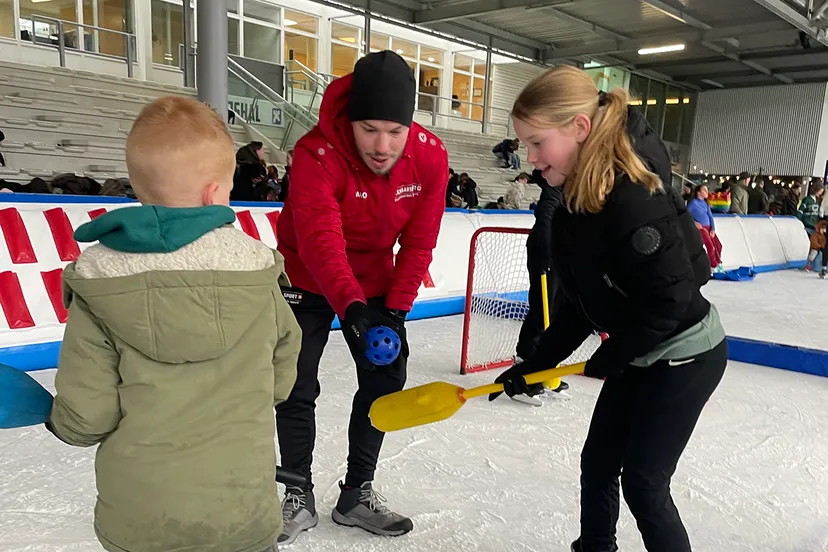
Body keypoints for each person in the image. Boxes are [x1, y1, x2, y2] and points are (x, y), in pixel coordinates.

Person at [46, 97, 301, 552]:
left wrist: (62, 423)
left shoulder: (101, 285)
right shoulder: (257, 275)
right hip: (241, 509)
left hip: (142, 520)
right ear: (214, 193)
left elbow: (88, 414)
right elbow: (281, 374)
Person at [489, 66, 726, 552]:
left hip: (686, 353)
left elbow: (670, 299)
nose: (530, 158)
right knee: (598, 463)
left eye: (537, 143)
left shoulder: (633, 195)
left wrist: (617, 355)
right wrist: (537, 363)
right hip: (639, 346)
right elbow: (582, 303)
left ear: (579, 128)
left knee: (643, 482)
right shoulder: (577, 199)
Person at [275, 50, 448, 545]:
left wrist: (394, 311)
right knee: (294, 381)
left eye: (395, 131)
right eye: (369, 129)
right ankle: (297, 492)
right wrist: (351, 310)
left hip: (375, 277)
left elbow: (419, 243)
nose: (382, 145)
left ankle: (356, 494)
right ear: (351, 120)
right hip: (305, 274)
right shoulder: (315, 153)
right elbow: (320, 240)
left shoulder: (430, 156)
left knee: (386, 377)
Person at [512, 167, 568, 405]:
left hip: (562, 256)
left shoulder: (576, 186)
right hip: (544, 255)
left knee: (555, 311)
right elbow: (545, 216)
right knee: (541, 309)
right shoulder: (556, 185)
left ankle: (543, 368)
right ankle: (524, 367)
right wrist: (545, 254)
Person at [687, 184, 724, 272]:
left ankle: (718, 263)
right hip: (702, 229)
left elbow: (710, 217)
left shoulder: (705, 203)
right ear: (698, 192)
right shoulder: (693, 203)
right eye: (704, 190)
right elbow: (685, 215)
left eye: (707, 190)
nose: (707, 192)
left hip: (709, 228)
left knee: (718, 245)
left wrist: (713, 229)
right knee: (711, 247)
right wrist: (694, 222)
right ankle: (713, 266)